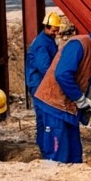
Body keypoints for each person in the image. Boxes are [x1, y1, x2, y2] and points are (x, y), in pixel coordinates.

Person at [33, 21, 91, 163]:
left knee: (74, 154)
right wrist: (79, 99)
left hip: (68, 109)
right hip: (55, 105)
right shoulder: (79, 44)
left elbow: (90, 92)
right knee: (58, 155)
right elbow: (62, 74)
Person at [26, 12, 61, 154]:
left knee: (44, 116)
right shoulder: (42, 44)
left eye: (57, 29)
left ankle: (45, 145)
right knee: (44, 116)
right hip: (38, 84)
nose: (56, 32)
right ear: (46, 27)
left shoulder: (47, 39)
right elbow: (44, 67)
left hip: (40, 83)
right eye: (54, 29)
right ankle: (44, 146)